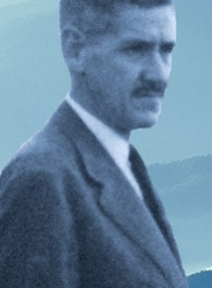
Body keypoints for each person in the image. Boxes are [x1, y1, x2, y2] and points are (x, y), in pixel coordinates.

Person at [0, 0, 187, 286]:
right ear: (75, 49)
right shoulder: (41, 179)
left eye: (166, 50)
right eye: (136, 49)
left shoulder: (127, 163)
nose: (158, 74)